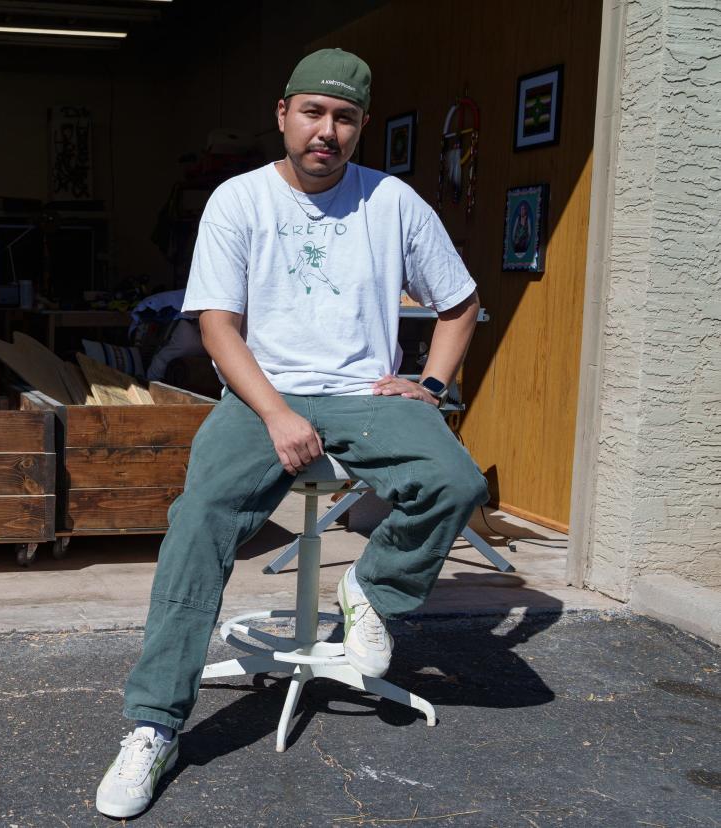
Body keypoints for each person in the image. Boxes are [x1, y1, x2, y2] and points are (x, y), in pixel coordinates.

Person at [94, 48, 489, 819]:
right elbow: (216, 326)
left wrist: (431, 384)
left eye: (344, 118)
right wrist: (276, 413)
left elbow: (460, 302)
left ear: (362, 126)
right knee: (197, 524)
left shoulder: (395, 202)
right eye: (313, 112)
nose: (326, 131)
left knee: (456, 482)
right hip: (259, 392)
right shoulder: (239, 201)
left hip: (367, 391)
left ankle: (369, 589)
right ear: (283, 114)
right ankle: (152, 726)